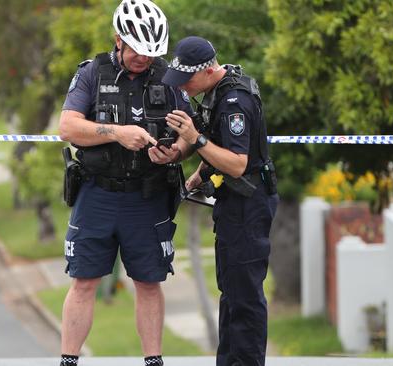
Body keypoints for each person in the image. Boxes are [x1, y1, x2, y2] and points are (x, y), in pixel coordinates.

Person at [57, 1, 192, 365]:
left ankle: (153, 361)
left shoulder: (169, 77)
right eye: (137, 50)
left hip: (147, 197)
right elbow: (67, 127)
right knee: (84, 280)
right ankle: (69, 359)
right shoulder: (91, 73)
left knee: (149, 283)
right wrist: (117, 134)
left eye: (151, 53)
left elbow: (189, 137)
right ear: (118, 40)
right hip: (97, 193)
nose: (143, 59)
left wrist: (174, 153)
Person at [161, 36, 279, 366]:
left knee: (244, 298)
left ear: (209, 70)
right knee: (230, 293)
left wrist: (194, 138)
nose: (183, 87)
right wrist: (197, 176)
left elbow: (237, 163)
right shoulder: (217, 92)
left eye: (187, 80)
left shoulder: (234, 101)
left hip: (248, 206)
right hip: (235, 205)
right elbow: (220, 147)